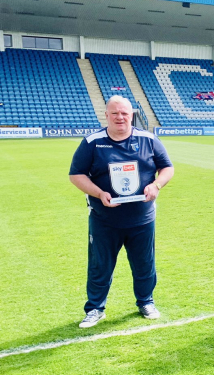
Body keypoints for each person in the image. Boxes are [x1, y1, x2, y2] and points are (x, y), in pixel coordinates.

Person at [69, 96, 174, 328]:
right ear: (106, 115)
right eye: (115, 113)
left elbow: (167, 167)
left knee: (145, 264)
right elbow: (76, 174)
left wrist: (156, 185)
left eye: (124, 113)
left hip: (142, 218)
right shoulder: (92, 142)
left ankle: (146, 301)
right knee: (100, 265)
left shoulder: (148, 139)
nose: (120, 117)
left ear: (131, 115)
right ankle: (95, 308)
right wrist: (99, 193)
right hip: (104, 219)